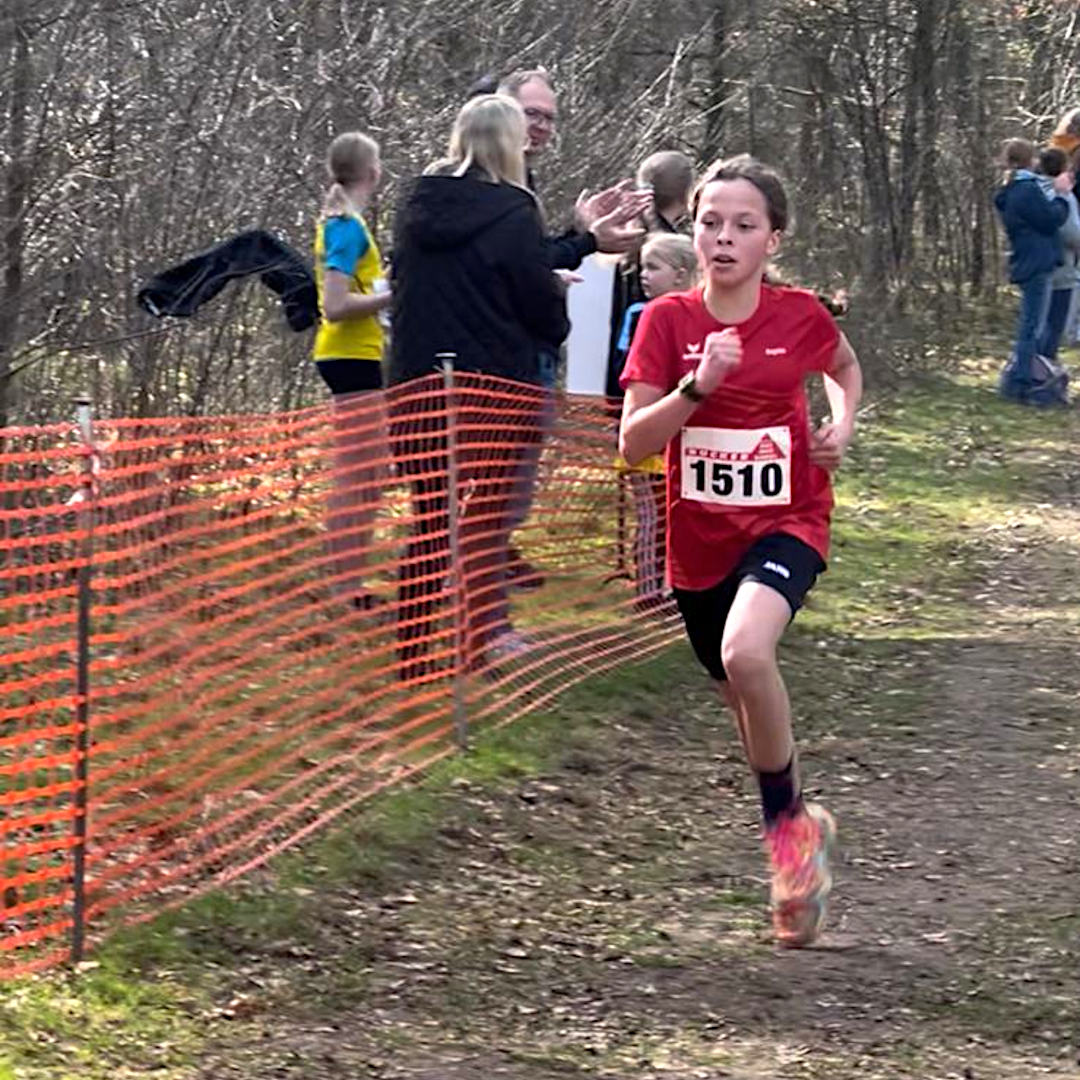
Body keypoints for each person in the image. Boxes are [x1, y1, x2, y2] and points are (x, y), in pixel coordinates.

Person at [618, 155, 863, 947]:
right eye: (709, 222)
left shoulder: (798, 318)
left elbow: (845, 369)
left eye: (742, 225)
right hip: (699, 546)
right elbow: (631, 447)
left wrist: (841, 425)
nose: (722, 238)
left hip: (788, 520)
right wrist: (697, 388)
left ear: (773, 240)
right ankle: (800, 827)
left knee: (748, 655)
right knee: (741, 695)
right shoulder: (667, 324)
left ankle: (788, 857)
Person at [388, 94, 569, 678]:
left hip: (417, 384)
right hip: (492, 391)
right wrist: (558, 303)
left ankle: (412, 656)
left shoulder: (416, 205)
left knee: (431, 520)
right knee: (485, 524)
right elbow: (537, 303)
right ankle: (474, 647)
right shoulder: (515, 213)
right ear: (508, 142)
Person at [313, 132, 392, 608]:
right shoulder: (346, 227)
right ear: (372, 171)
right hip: (348, 356)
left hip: (359, 355)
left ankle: (351, 582)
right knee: (358, 474)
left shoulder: (351, 222)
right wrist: (392, 297)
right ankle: (345, 587)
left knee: (368, 472)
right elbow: (336, 304)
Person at [613, 233, 698, 611]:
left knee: (679, 515)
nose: (643, 275)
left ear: (681, 274)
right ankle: (647, 591)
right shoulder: (639, 314)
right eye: (642, 266)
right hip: (646, 436)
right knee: (651, 514)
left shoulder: (699, 315)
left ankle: (677, 585)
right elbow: (629, 372)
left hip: (683, 437)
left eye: (653, 267)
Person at [993, 138, 1071, 404]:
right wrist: (1062, 198)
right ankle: (1022, 383)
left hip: (1028, 259)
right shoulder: (1026, 190)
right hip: (1036, 261)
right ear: (1029, 160)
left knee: (1031, 324)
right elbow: (1049, 220)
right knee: (1031, 326)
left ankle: (1022, 379)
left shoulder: (1014, 188)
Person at [1034, 146, 1080, 364]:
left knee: (1035, 321)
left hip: (1034, 264)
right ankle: (1044, 370)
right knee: (1055, 322)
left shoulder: (1030, 189)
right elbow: (1071, 232)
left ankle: (1032, 367)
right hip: (1062, 266)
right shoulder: (1063, 195)